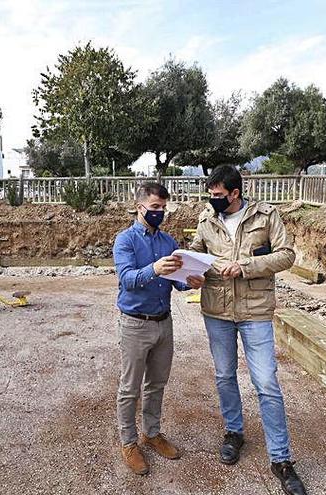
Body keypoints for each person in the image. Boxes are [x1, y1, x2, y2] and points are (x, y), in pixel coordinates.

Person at [189, 165, 307, 495]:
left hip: (255, 311)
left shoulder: (266, 216)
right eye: (210, 195)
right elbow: (197, 252)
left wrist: (245, 267)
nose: (212, 200)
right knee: (224, 376)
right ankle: (233, 432)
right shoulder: (206, 219)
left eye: (218, 195)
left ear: (235, 193)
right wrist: (190, 270)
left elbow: (286, 255)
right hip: (217, 310)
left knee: (267, 383)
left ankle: (281, 460)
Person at [112, 182, 204, 476]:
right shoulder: (125, 241)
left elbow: (174, 279)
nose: (160, 212)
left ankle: (151, 433)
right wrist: (154, 269)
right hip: (135, 324)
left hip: (164, 323)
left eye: (164, 207)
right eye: (155, 207)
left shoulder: (168, 241)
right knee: (129, 389)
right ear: (140, 207)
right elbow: (126, 279)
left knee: (157, 383)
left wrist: (187, 281)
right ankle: (128, 443)